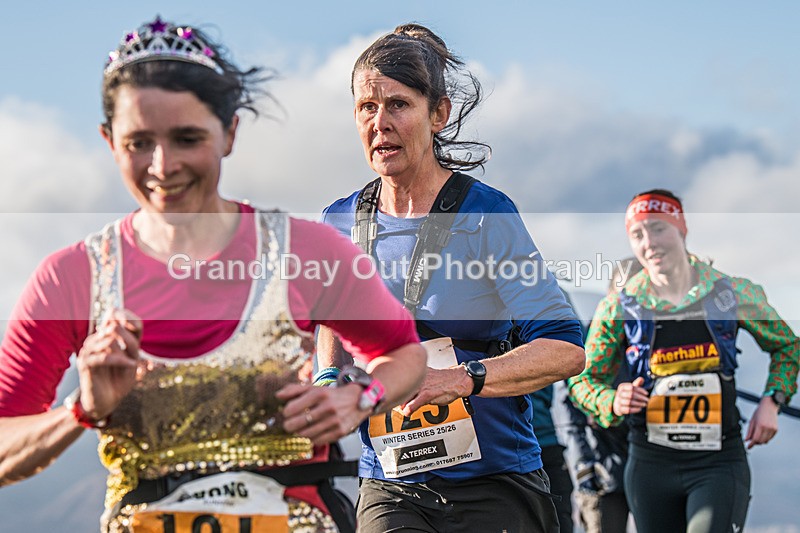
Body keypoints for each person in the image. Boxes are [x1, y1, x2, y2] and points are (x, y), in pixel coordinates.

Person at [0, 16, 427, 533]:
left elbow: (405, 352)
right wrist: (83, 410)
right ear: (109, 140)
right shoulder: (71, 279)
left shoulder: (306, 252)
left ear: (229, 133)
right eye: (138, 142)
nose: (163, 165)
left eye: (186, 138)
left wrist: (357, 399)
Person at [318, 23, 586, 533]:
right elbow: (332, 319)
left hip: (495, 484)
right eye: (365, 108)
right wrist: (328, 380)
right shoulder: (340, 220)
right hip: (391, 484)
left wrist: (462, 380)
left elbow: (566, 348)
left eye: (398, 105)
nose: (380, 123)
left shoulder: (487, 215)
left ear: (438, 114)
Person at [568, 189, 799, 533]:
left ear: (682, 228)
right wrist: (612, 399)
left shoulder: (732, 293)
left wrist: (772, 401)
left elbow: (787, 346)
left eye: (658, 228)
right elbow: (581, 380)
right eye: (638, 234)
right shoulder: (619, 306)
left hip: (718, 462)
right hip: (650, 464)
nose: (650, 243)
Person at [565, 257, 642, 533]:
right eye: (623, 294)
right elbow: (572, 408)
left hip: (651, 465)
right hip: (603, 469)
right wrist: (584, 465)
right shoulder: (591, 342)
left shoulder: (657, 343)